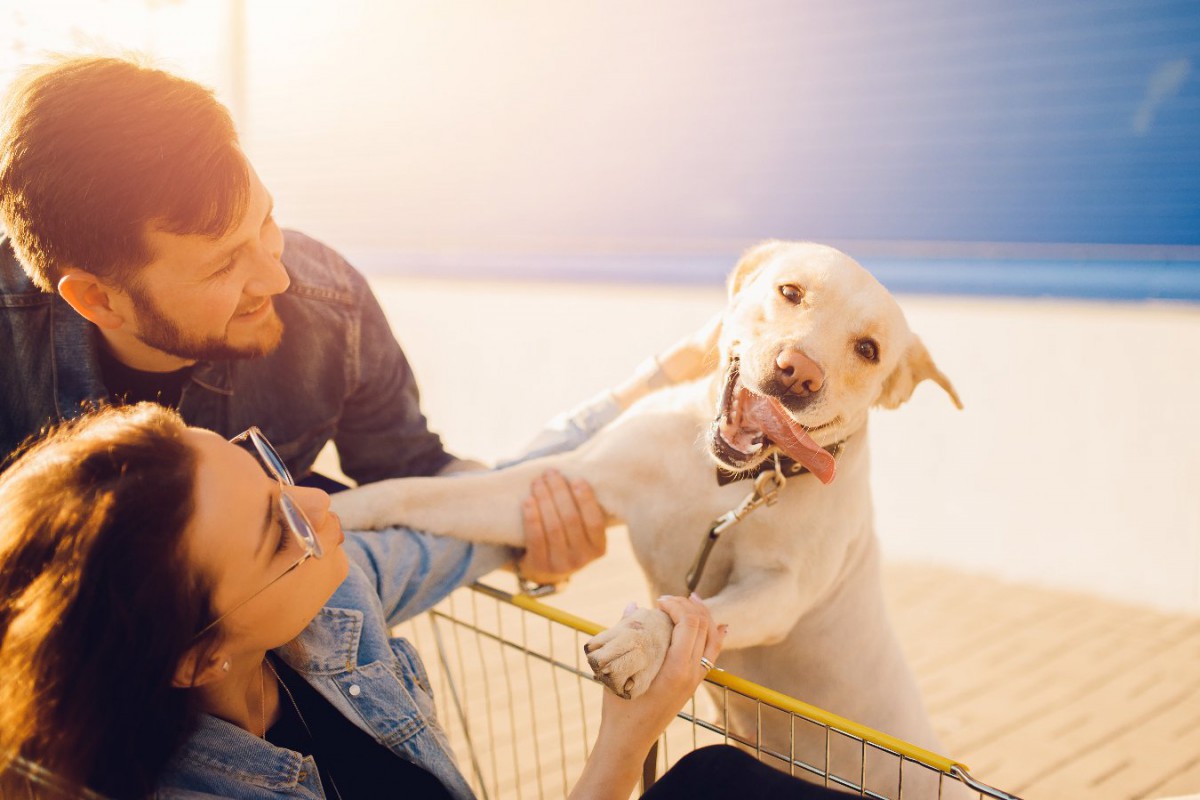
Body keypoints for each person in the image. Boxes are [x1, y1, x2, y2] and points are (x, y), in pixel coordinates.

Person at [0, 54, 713, 587]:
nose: (276, 279)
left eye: (267, 221)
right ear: (97, 300)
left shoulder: (326, 302)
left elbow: (414, 473)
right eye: (222, 267)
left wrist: (534, 535)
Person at [0, 403, 734, 799]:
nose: (320, 504)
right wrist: (626, 738)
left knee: (716, 779)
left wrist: (665, 399)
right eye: (278, 531)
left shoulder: (333, 598)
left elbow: (489, 507)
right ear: (199, 656)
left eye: (269, 472)